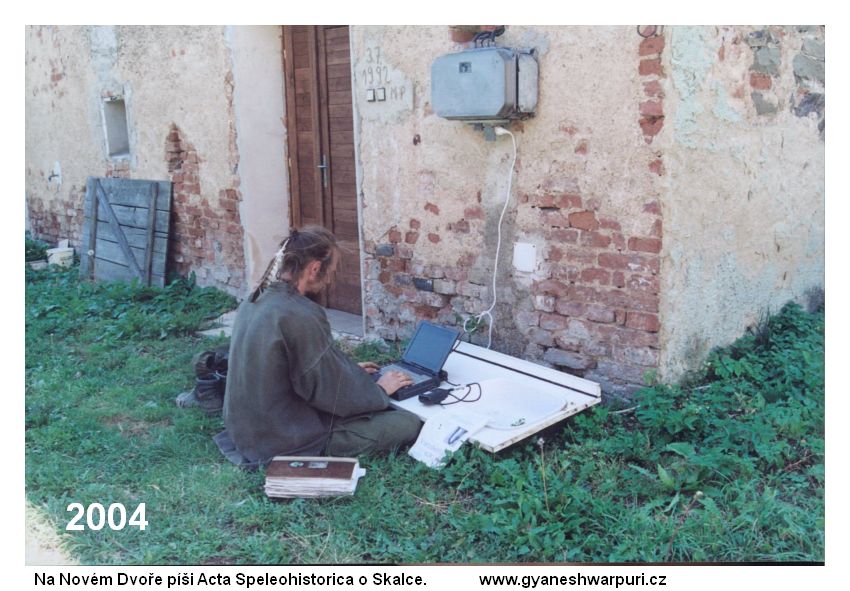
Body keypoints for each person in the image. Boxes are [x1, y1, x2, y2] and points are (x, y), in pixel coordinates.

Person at [221, 226, 422, 465]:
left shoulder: (255, 300)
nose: (330, 280)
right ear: (314, 268)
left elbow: (293, 369)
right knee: (408, 423)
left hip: (245, 430)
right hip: (282, 439)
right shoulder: (299, 314)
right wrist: (379, 389)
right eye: (331, 272)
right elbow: (326, 389)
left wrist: (350, 372)